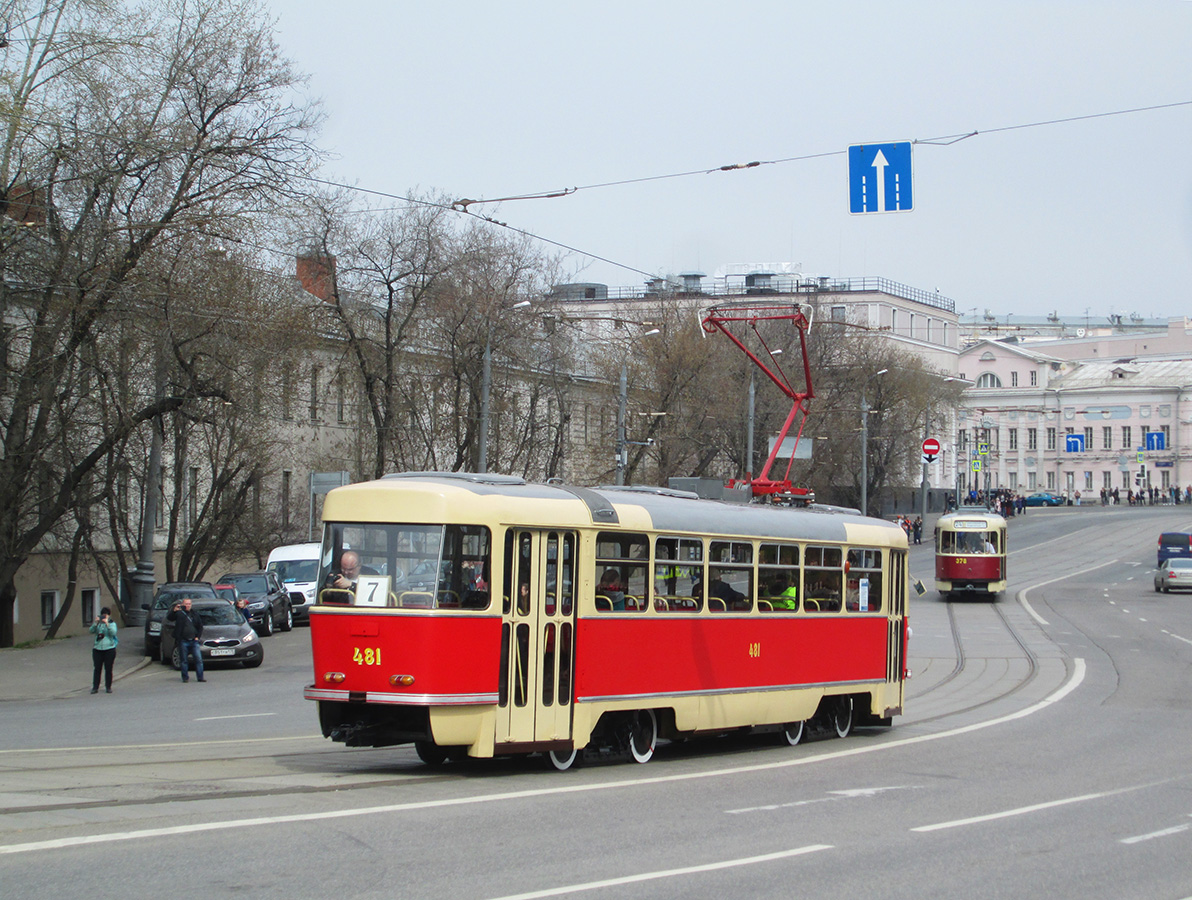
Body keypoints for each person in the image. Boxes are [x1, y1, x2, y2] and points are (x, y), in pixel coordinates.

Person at [167, 598, 206, 683]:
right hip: (183, 640)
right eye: (186, 604)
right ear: (182, 605)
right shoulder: (179, 613)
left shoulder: (194, 614)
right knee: (184, 660)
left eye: (189, 604)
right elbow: (170, 618)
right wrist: (174, 611)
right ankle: (185, 678)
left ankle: (200, 677)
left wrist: (197, 637)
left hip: (194, 640)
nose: (187, 605)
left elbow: (200, 626)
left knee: (198, 659)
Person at [89, 607, 118, 694]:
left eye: (105, 616)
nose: (104, 618)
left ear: (108, 616)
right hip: (97, 648)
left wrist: (107, 624)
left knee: (108, 668)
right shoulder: (98, 624)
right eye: (103, 616)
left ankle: (108, 687)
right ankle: (95, 687)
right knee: (97, 668)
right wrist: (95, 623)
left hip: (109, 649)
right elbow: (91, 631)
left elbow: (113, 633)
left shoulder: (112, 624)